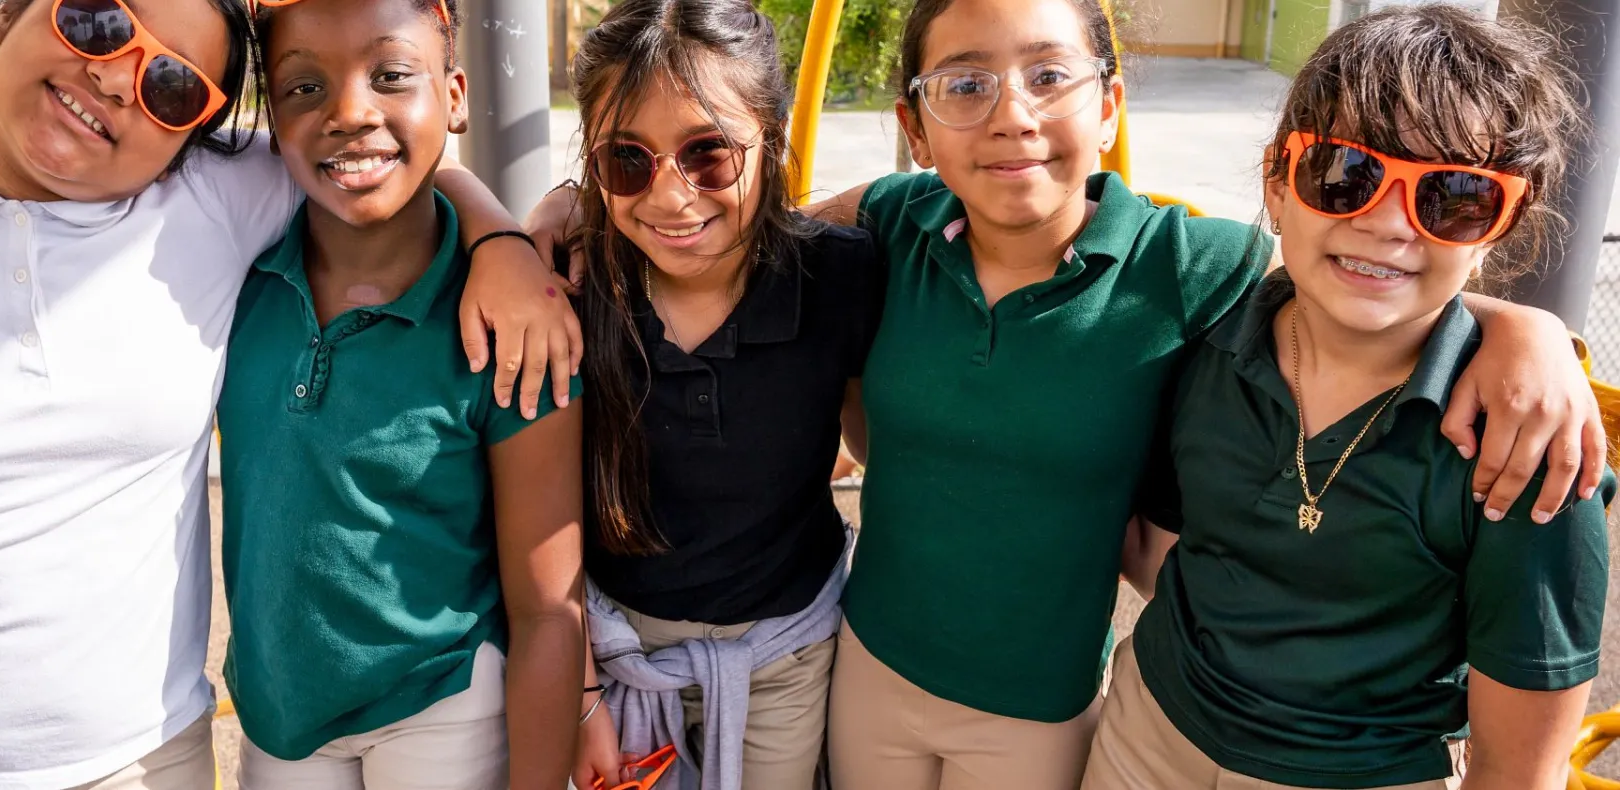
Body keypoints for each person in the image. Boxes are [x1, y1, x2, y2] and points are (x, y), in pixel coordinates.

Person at [523, 0, 1609, 786]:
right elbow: (758, 215)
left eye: (1048, 74)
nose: (1009, 115)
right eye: (964, 83)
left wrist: (1524, 331)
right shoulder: (897, 227)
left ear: (1109, 103)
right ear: (916, 122)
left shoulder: (1191, 265)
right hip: (869, 671)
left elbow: (1357, 278)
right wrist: (549, 212)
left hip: (1045, 709)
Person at [0, 0, 573, 787]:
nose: (115, 76)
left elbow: (383, 149)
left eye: (172, 86)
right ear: (7, 13)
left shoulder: (209, 203)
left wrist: (502, 236)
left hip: (141, 764)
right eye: (94, 20)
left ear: (192, 138)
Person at [1085, 7, 1611, 789]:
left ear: (1502, 226)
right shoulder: (1205, 339)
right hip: (1145, 734)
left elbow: (1521, 762)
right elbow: (1168, 550)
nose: (1389, 225)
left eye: (1455, 197)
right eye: (1345, 174)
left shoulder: (1527, 446)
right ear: (1278, 177)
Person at [219, 0, 584, 788]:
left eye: (390, 75)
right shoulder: (231, 273)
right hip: (279, 715)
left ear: (453, 96)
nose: (351, 111)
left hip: (442, 706)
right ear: (271, 120)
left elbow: (549, 608)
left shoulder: (512, 324)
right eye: (304, 88)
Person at [555, 0, 880, 788]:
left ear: (771, 138)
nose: (670, 197)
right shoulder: (566, 288)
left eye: (708, 155)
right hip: (618, 659)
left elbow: (937, 191)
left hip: (783, 661)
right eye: (627, 161)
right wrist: (583, 696)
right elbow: (536, 521)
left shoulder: (840, 276)